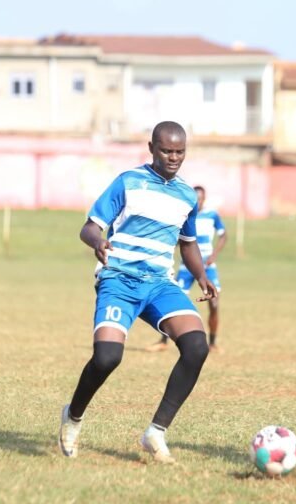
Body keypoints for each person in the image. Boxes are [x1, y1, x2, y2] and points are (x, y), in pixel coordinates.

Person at [58, 121, 218, 464]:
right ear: (151, 148)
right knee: (107, 359)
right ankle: (73, 416)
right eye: (166, 150)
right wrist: (98, 241)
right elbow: (89, 228)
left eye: (180, 152)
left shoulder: (187, 195)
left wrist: (202, 276)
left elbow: (187, 244)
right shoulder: (128, 182)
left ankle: (155, 432)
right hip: (119, 279)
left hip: (160, 283)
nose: (173, 157)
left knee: (196, 346)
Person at [146, 185, 227, 353]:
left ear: (204, 198)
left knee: (213, 302)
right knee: (173, 302)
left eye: (201, 198)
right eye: (195, 198)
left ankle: (212, 343)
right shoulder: (185, 214)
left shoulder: (212, 215)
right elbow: (179, 238)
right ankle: (163, 341)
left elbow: (223, 235)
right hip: (186, 266)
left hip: (207, 266)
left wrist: (214, 255)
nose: (198, 200)